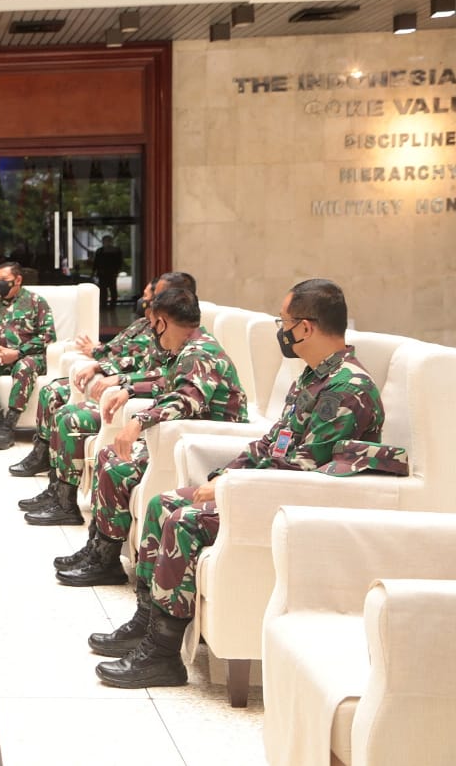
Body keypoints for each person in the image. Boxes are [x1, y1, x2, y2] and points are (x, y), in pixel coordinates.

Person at [92, 279, 403, 689]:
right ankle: (149, 625)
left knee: (184, 521)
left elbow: (305, 469)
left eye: (284, 322)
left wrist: (230, 487)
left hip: (292, 504)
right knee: (162, 504)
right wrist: (224, 475)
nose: (281, 330)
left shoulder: (346, 388)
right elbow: (271, 443)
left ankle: (164, 655)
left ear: (305, 327)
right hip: (263, 488)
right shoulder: (312, 378)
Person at [55, 286, 247, 586]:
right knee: (108, 455)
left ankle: (105, 560)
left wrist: (138, 422)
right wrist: (130, 389)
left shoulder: (200, 353)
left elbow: (186, 399)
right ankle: (100, 549)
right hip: (180, 439)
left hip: (205, 447)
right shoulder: (189, 348)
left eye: (154, 324)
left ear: (161, 322)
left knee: (117, 466)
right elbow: (166, 383)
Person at [20, 272, 197, 526]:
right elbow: (128, 355)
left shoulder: (186, 343)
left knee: (71, 419)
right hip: (138, 398)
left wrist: (126, 386)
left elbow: (163, 376)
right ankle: (57, 491)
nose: (147, 301)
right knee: (58, 402)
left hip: (163, 420)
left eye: (155, 295)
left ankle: (67, 504)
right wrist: (104, 364)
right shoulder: (155, 327)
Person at [0, 261, 56, 450]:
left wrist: (18, 353)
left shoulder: (36, 302)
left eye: (4, 279)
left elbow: (48, 335)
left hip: (30, 357)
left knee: (24, 367)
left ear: (18, 280)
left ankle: (8, 427)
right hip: (1, 356)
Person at [92, 235, 124, 308]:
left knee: (112, 289)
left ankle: (112, 305)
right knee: (103, 290)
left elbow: (119, 262)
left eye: (108, 241)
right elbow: (96, 262)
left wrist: (117, 271)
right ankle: (103, 304)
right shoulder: (100, 251)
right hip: (102, 273)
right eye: (105, 241)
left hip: (112, 273)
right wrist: (94, 271)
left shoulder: (116, 251)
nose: (107, 243)